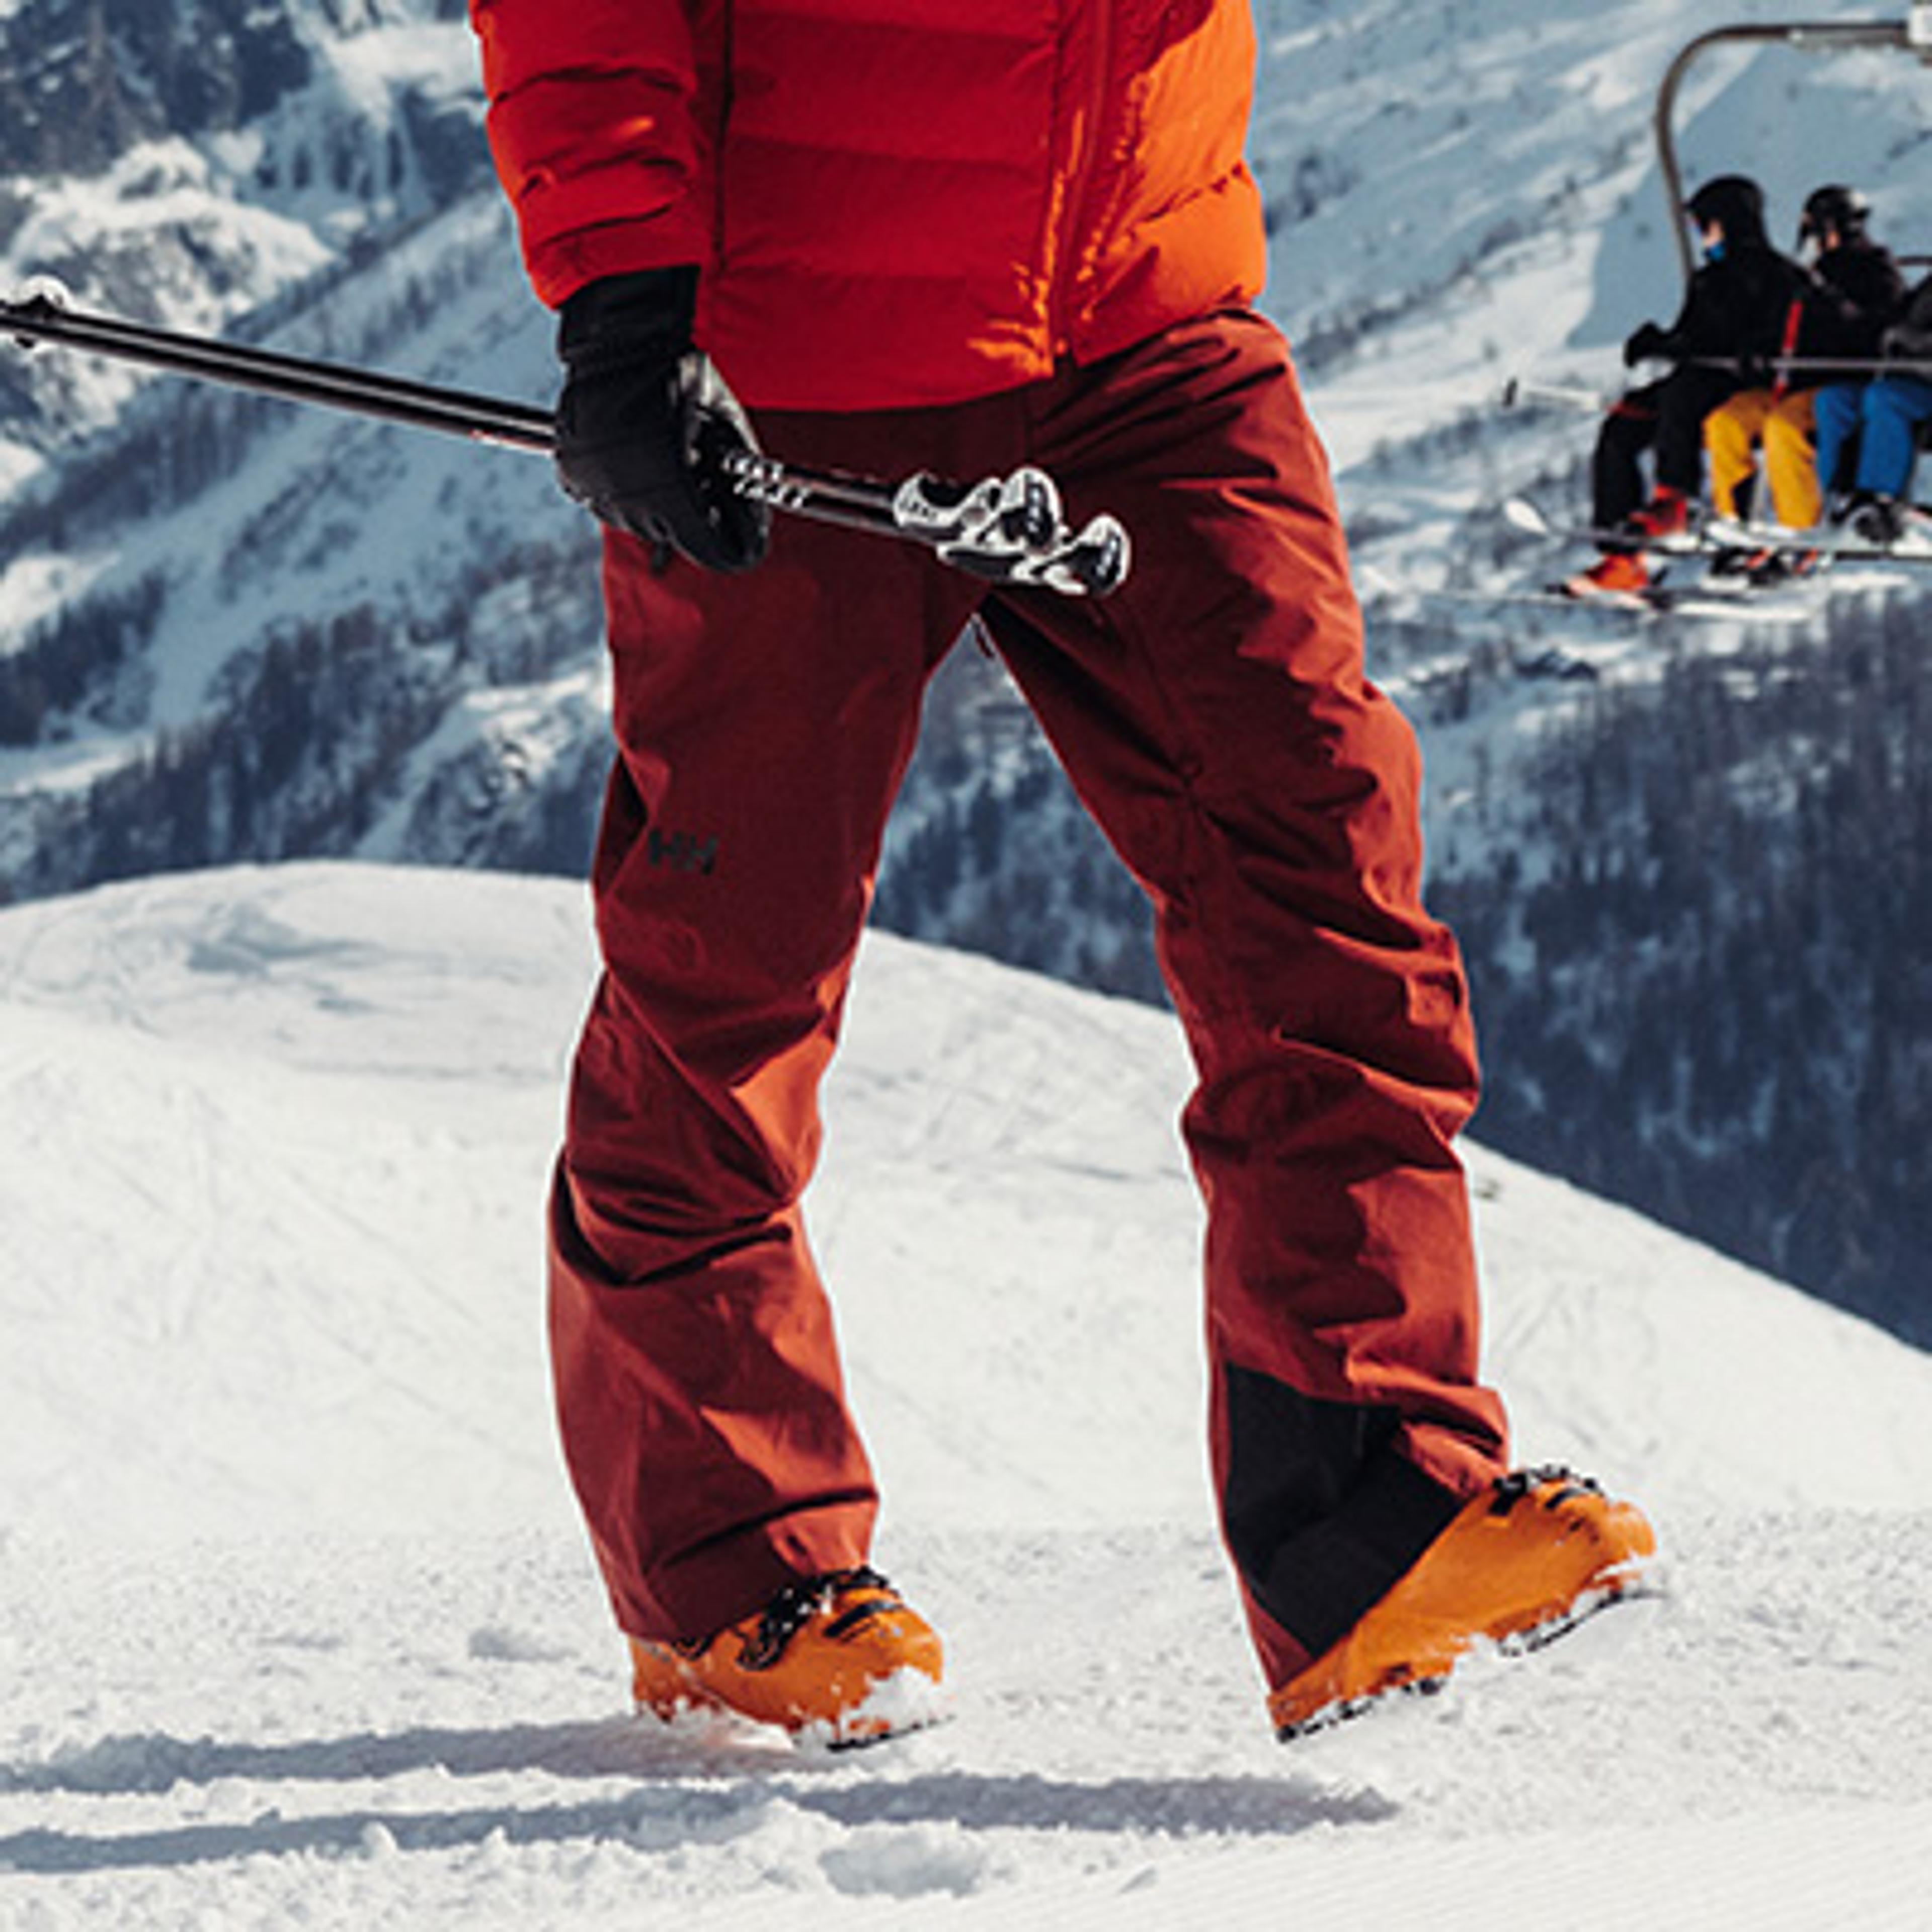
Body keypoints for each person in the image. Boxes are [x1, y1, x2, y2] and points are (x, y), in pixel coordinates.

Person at [467, 0, 1654, 1745]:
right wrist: (628, 301)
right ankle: (730, 1579)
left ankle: (1374, 1514)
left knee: (1323, 874)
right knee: (733, 967)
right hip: (801, 351)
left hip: (1147, 318)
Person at [1566, 176, 1811, 599]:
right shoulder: (1709, 280)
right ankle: (1623, 554)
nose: (1703, 237)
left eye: (1707, 226)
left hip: (1745, 387)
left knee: (1683, 394)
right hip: (1700, 379)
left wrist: (1759, 351)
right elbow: (1693, 336)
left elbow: (1792, 335)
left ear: (1730, 223)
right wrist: (1658, 343)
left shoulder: (1778, 276)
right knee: (1625, 420)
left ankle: (1674, 500)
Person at [1700, 184, 1904, 562]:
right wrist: (1758, 350)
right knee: (1726, 422)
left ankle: (1802, 534)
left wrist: (1829, 301)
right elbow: (1785, 326)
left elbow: (1877, 332)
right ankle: (1736, 529)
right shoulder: (1810, 276)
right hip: (1794, 379)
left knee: (1784, 428)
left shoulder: (1877, 271)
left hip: (1838, 382)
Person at [1815, 269, 1932, 544]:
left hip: (1921, 385)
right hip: (1906, 376)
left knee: (1885, 399)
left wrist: (1918, 341)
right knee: (1834, 401)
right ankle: (1838, 494)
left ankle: (1880, 500)